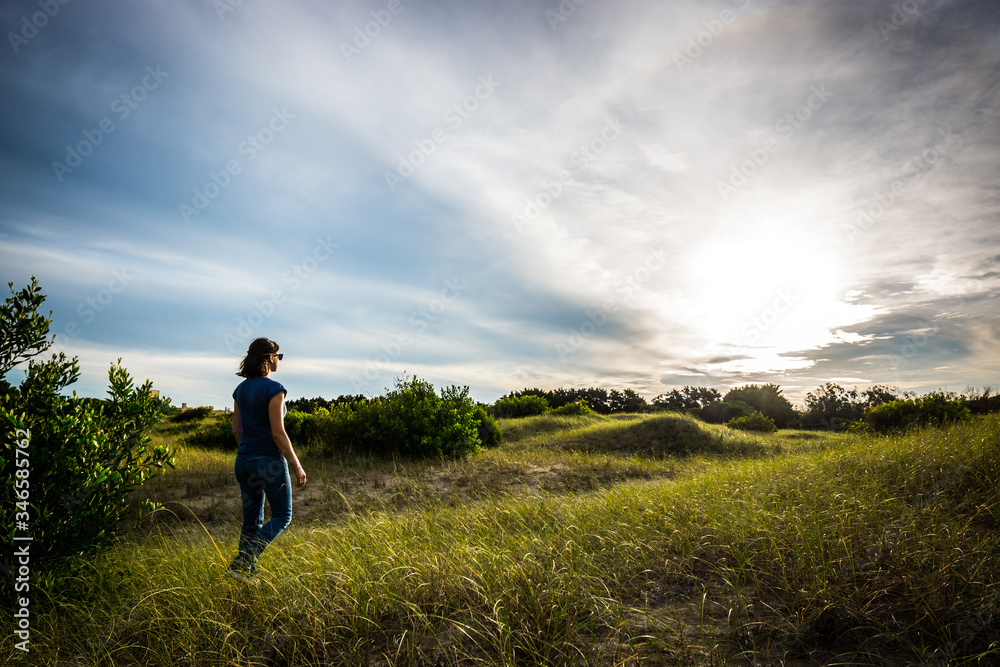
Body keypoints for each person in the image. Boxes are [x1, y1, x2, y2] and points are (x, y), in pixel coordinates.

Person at [227, 337, 306, 581]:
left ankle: (245, 576)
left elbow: (237, 430)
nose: (279, 361)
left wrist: (248, 451)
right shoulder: (274, 389)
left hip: (244, 460)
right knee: (283, 515)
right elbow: (278, 432)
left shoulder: (240, 390)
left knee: (251, 521)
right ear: (270, 358)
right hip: (268, 461)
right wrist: (297, 465)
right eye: (279, 357)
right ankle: (244, 559)